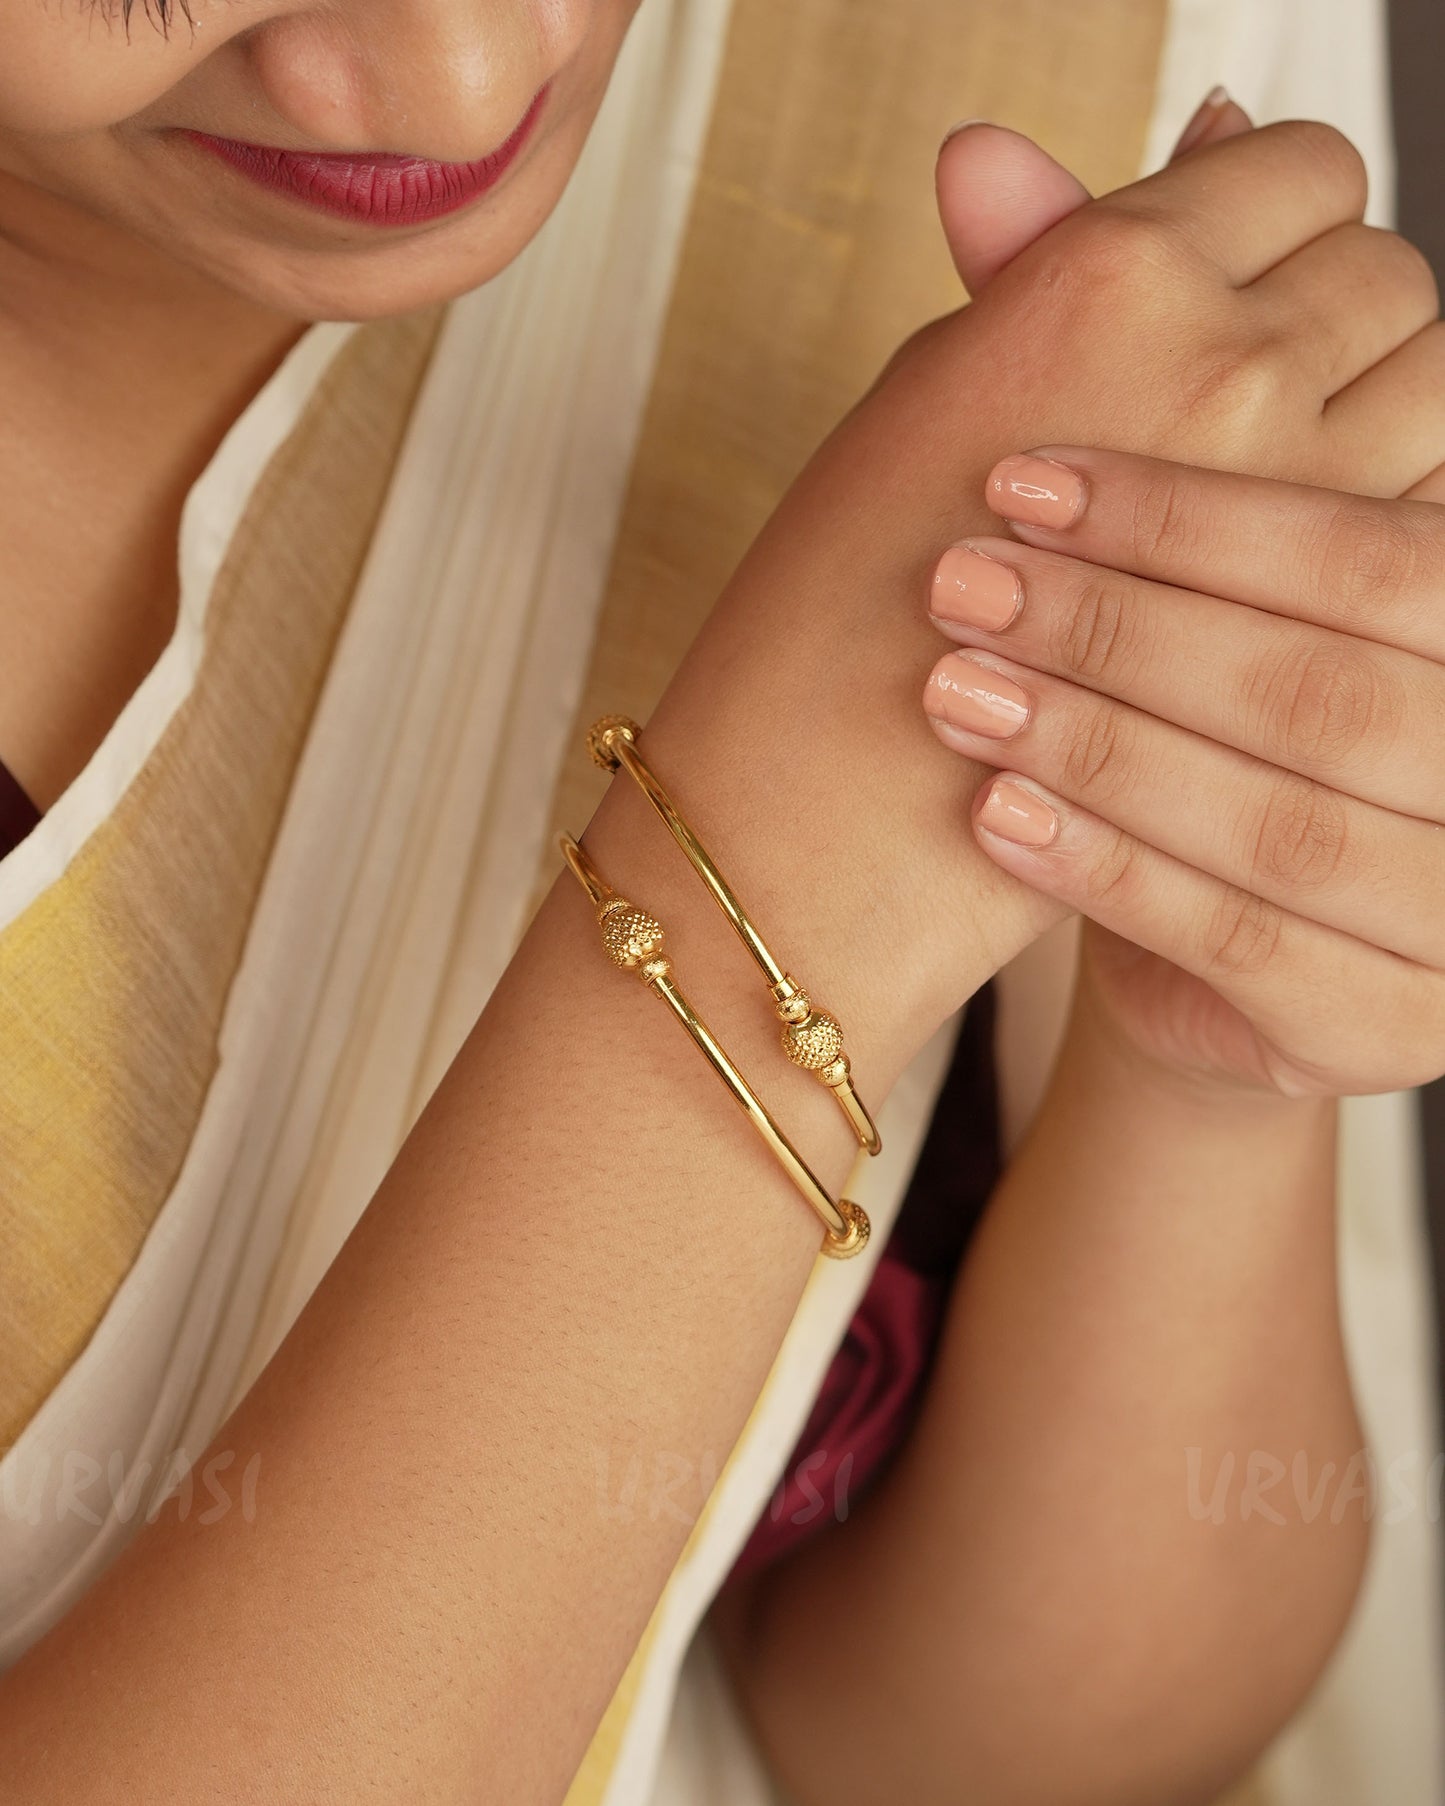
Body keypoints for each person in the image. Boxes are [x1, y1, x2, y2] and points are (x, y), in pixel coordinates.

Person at [0, 1, 1440, 1801]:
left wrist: (1200, 1072)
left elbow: (977, 1760)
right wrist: (777, 862)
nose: (457, 80)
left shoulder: (961, 73)